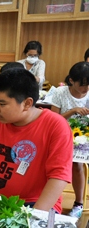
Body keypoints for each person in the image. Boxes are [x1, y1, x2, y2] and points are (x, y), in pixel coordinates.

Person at [0, 68, 73, 214]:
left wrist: (34, 216)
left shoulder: (56, 126)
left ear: (27, 103)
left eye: (2, 104)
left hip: (35, 202)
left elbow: (58, 176)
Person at [50, 61, 89, 218]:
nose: (85, 89)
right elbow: (54, 119)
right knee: (55, 166)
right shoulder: (60, 92)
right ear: (71, 80)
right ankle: (52, 201)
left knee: (77, 165)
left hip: (83, 136)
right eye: (82, 85)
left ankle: (78, 203)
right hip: (62, 133)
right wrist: (72, 111)